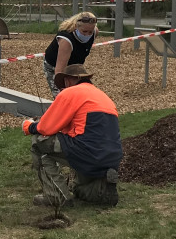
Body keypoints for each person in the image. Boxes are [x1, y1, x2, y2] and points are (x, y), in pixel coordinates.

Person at [21, 64, 122, 208]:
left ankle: (56, 197)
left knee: (39, 142)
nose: (63, 88)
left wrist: (29, 126)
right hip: (111, 156)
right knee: (79, 191)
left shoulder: (71, 93)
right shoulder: (103, 97)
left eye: (63, 84)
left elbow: (46, 127)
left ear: (68, 80)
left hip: (86, 151)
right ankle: (102, 189)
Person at [42, 11, 98, 98]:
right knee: (63, 96)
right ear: (76, 27)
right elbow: (59, 71)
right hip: (54, 66)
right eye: (84, 31)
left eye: (90, 32)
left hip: (75, 66)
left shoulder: (95, 32)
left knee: (81, 92)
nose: (87, 35)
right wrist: (62, 91)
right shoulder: (66, 40)